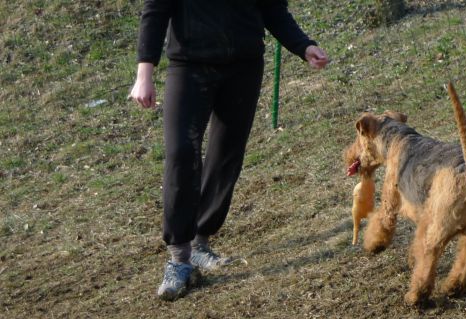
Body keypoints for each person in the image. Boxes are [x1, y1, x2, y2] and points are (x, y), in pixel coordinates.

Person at [129, 0, 329, 301]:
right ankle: (179, 259)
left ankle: (200, 242)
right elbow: (156, 9)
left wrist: (303, 46)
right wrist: (145, 72)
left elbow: (273, 10)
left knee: (226, 154)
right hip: (190, 65)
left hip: (243, 68)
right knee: (181, 152)